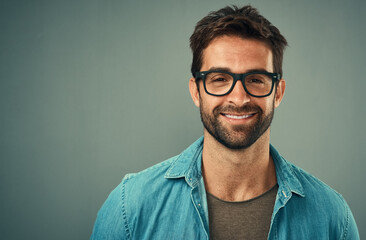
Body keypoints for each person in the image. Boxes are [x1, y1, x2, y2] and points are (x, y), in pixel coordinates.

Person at [90, 5, 359, 240]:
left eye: (256, 79)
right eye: (219, 79)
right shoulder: (130, 206)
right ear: (196, 91)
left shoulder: (332, 216)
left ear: (278, 92)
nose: (239, 98)